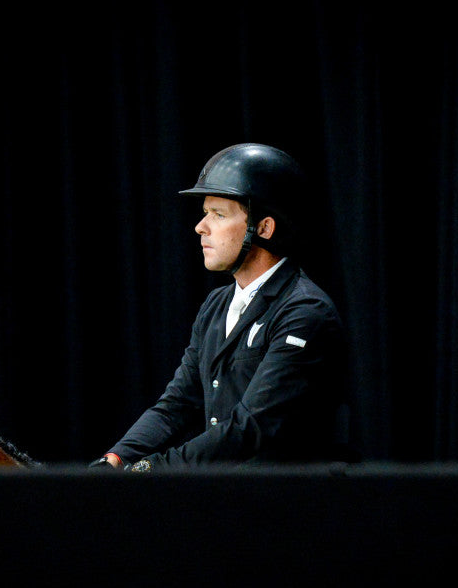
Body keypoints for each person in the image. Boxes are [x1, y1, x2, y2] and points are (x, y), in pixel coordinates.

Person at [90, 143, 348, 472]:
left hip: (290, 509)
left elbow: (249, 427)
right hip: (230, 501)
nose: (201, 226)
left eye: (219, 215)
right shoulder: (217, 305)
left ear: (265, 228)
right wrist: (117, 458)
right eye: (205, 213)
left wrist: (151, 469)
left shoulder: (304, 312)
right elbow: (177, 404)